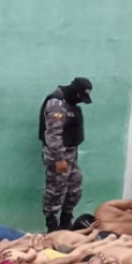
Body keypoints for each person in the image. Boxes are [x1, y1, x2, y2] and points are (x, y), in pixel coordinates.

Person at [38, 77, 93, 232]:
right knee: (56, 190)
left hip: (70, 154)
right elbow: (53, 134)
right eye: (80, 98)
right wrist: (59, 159)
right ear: (76, 93)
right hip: (57, 155)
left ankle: (65, 221)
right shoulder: (56, 103)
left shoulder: (70, 103)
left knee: (75, 188)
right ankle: (52, 226)